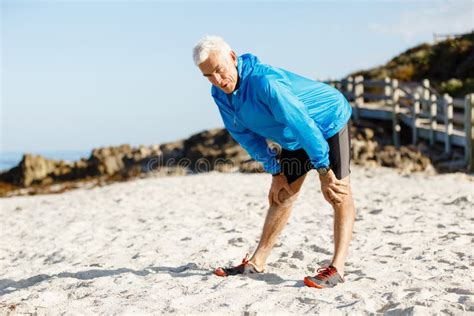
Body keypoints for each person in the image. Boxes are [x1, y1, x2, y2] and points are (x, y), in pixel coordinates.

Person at [192, 35, 356, 289]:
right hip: (293, 137)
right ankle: (257, 262)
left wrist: (323, 170)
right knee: (282, 194)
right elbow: (244, 135)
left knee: (337, 192)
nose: (216, 80)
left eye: (218, 70)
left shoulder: (265, 83)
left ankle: (337, 268)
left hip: (327, 122)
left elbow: (301, 122)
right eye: (208, 76)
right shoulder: (220, 94)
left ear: (232, 58)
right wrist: (275, 170)